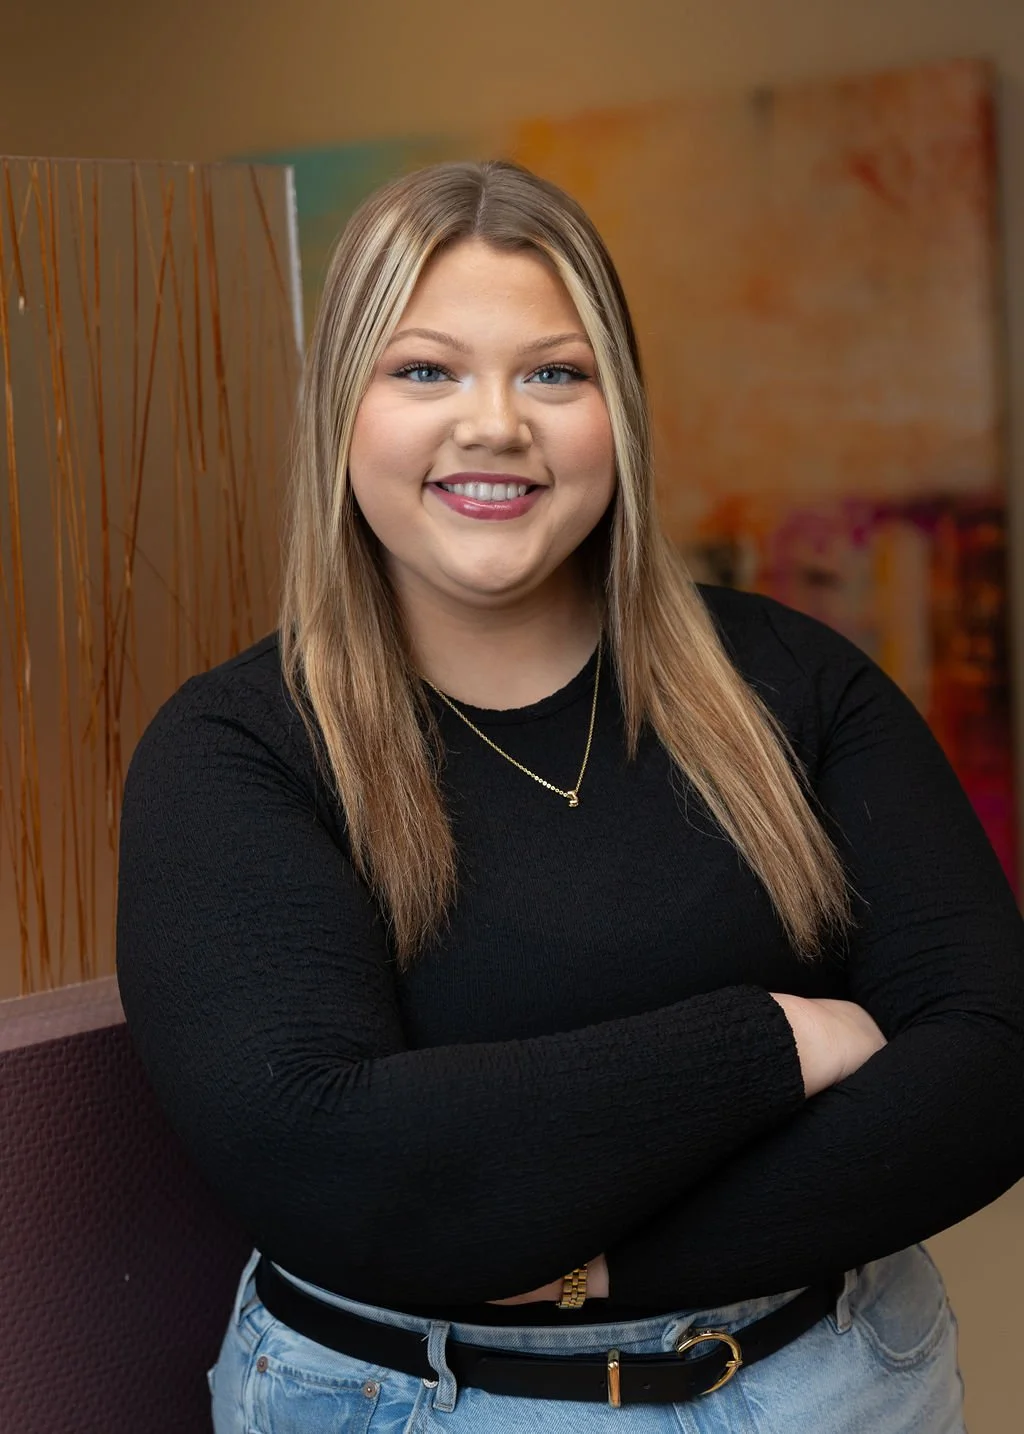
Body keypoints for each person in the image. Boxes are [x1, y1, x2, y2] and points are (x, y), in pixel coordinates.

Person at [115, 159, 1024, 1433]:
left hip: (839, 1380)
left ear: (621, 413)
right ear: (341, 411)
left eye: (555, 371)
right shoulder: (237, 748)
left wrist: (607, 1270)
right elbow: (335, 1164)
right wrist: (774, 1040)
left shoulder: (797, 682)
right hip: (414, 1405)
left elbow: (990, 1064)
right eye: (423, 369)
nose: (495, 423)